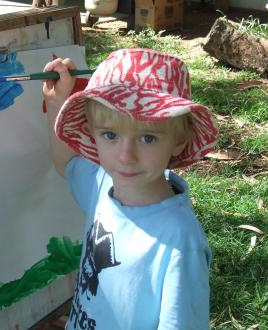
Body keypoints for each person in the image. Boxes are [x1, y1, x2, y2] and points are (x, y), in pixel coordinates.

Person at [42, 48, 218, 330]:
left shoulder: (179, 242)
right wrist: (56, 103)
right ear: (93, 132)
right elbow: (68, 164)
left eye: (147, 138)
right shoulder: (105, 183)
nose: (126, 156)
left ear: (180, 140)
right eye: (110, 135)